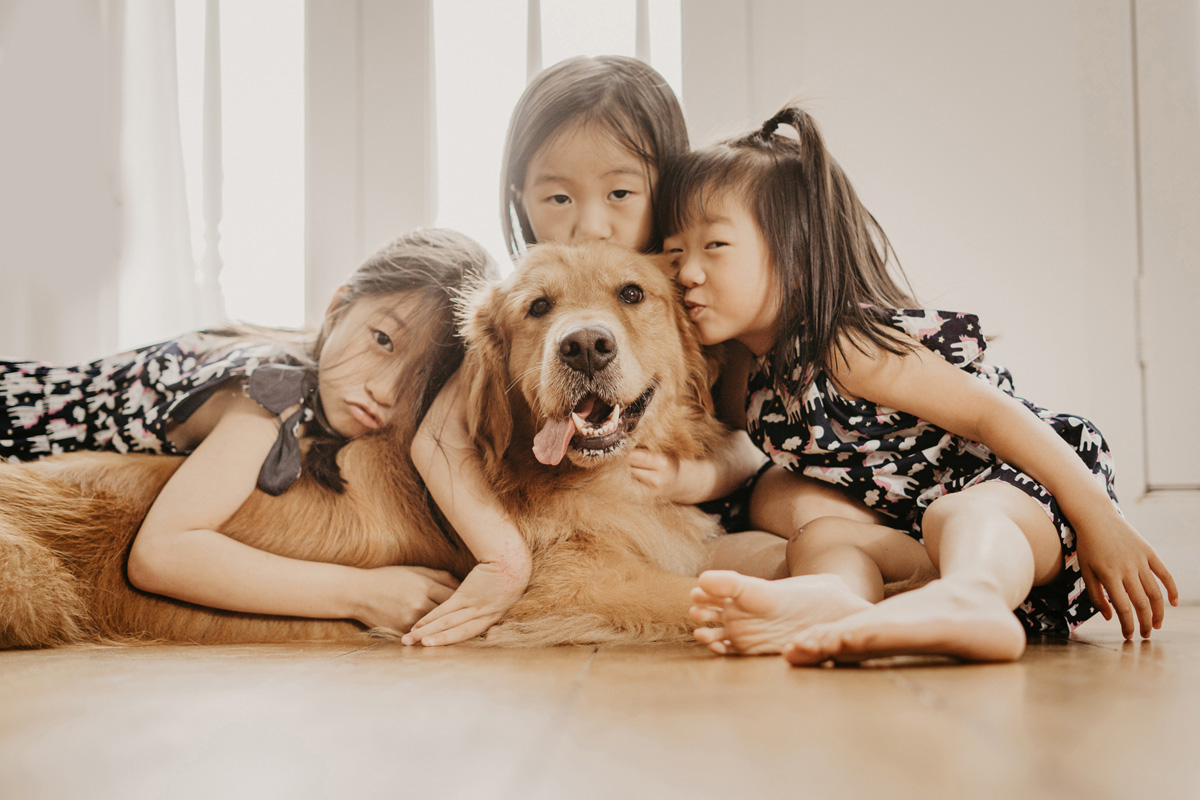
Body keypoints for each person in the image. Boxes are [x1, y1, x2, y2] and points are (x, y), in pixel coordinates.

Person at [656, 104, 1177, 664]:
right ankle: (839, 601)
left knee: (959, 514)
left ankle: (971, 597)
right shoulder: (754, 383)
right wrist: (692, 476)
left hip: (1028, 499)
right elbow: (744, 461)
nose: (687, 271)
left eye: (715, 246)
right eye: (673, 251)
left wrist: (1099, 519)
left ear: (796, 255)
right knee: (822, 538)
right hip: (924, 547)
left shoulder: (844, 342)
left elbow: (991, 415)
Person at [408, 54, 785, 646]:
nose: (590, 225)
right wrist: (504, 562)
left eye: (619, 193)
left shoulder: (700, 291)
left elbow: (751, 435)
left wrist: (698, 477)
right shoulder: (502, 311)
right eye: (558, 198)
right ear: (521, 198)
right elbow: (439, 438)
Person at [1, 228, 497, 633]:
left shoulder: (309, 374)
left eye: (420, 383)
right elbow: (161, 553)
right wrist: (363, 594)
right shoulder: (270, 394)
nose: (386, 391)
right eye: (383, 340)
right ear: (338, 308)